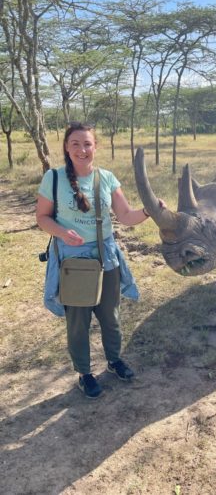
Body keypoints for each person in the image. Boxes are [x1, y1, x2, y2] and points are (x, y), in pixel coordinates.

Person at [36, 122, 163, 399]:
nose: (82, 149)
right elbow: (42, 217)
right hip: (74, 263)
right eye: (75, 144)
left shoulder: (106, 178)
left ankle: (115, 361)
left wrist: (150, 210)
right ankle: (85, 373)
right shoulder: (53, 178)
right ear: (67, 148)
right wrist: (62, 233)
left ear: (96, 147)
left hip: (106, 259)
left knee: (111, 316)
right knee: (78, 322)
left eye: (87, 144)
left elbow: (126, 216)